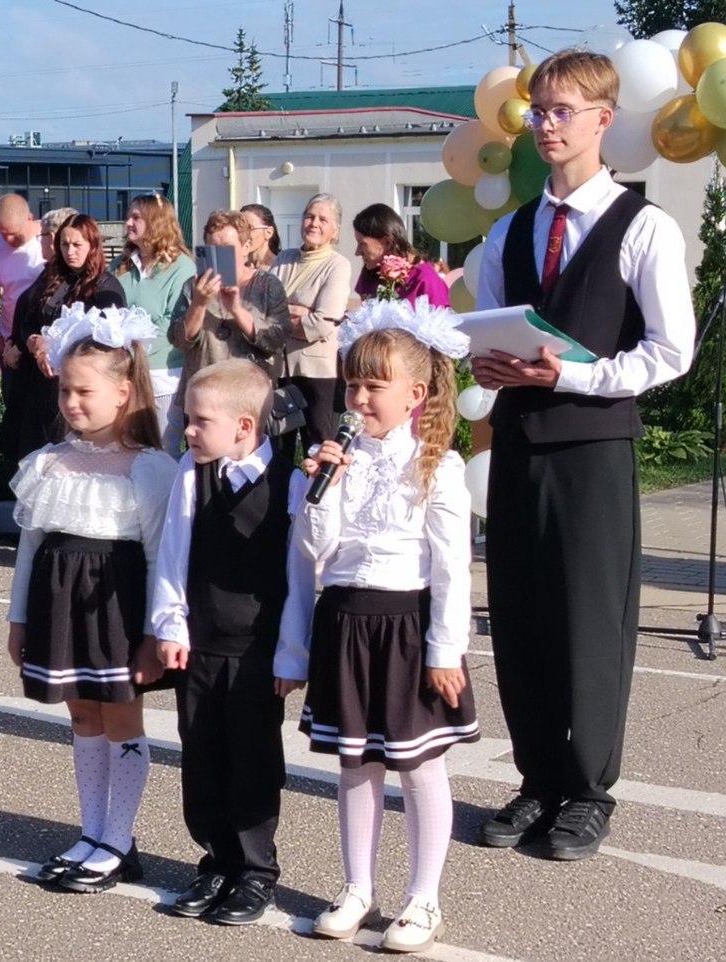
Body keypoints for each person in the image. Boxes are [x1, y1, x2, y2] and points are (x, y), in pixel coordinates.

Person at [472, 49, 695, 860]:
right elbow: (488, 333)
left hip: (594, 447)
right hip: (520, 444)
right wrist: (486, 364)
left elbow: (672, 351)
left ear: (604, 118)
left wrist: (573, 375)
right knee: (520, 619)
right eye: (539, 110)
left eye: (562, 110)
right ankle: (537, 779)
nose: (545, 124)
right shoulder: (509, 230)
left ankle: (589, 790)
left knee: (591, 622)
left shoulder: (643, 226)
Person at [275, 304, 479, 953]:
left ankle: (424, 898)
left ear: (414, 394)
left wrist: (445, 649)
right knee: (356, 764)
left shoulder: (437, 464)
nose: (359, 398)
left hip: (407, 627)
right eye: (352, 384)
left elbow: (451, 568)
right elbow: (315, 551)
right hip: (346, 622)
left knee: (418, 768)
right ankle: (357, 888)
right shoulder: (335, 461)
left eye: (373, 386)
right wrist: (323, 485)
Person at [6, 305, 176, 894]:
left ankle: (118, 840)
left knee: (120, 717)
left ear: (124, 393)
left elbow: (157, 559)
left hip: (116, 612)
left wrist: (153, 635)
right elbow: (30, 547)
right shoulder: (48, 462)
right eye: (65, 391)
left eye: (85, 392)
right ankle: (92, 831)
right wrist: (18, 619)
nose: (71, 402)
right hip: (58, 609)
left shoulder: (149, 468)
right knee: (81, 716)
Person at [151, 359, 313, 925]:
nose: (188, 430)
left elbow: (299, 577)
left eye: (200, 421)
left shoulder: (292, 482)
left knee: (253, 760)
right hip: (201, 645)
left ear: (244, 425)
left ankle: (255, 869)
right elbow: (173, 553)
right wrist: (170, 624)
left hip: (257, 652)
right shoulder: (191, 474)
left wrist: (292, 653)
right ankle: (216, 859)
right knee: (201, 755)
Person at [2, 214, 126, 462]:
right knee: (34, 454)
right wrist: (34, 342)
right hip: (40, 383)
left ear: (92, 245)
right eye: (64, 244)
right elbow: (28, 320)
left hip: (78, 384)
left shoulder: (106, 286)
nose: (70, 252)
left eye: (77, 245)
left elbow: (107, 341)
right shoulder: (51, 277)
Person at [169, 210, 292, 413]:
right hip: (203, 395)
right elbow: (178, 340)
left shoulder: (267, 284)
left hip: (249, 397)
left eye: (226, 249)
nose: (219, 256)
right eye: (212, 249)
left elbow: (277, 340)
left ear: (246, 247)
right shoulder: (193, 287)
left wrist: (236, 310)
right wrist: (199, 304)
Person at [113, 194, 196, 456]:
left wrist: (131, 352)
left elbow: (172, 325)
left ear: (156, 222)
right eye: (129, 216)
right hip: (123, 373)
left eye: (136, 217)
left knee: (160, 451)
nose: (127, 222)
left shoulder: (181, 267)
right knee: (125, 450)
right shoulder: (120, 265)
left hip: (162, 377)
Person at [270, 193, 353, 454]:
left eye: (323, 219)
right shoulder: (284, 259)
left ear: (335, 231)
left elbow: (321, 324)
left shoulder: (337, 266)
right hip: (279, 368)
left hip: (316, 373)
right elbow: (261, 308)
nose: (314, 223)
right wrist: (298, 312)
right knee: (277, 449)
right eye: (309, 216)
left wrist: (280, 314)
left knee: (317, 446)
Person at [0, 193, 45, 376]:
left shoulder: (48, 241)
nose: (9, 240)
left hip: (46, 342)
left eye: (14, 233)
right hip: (11, 344)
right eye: (3, 233)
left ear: (30, 218)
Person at [353, 204, 450, 307]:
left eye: (362, 244)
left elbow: (440, 315)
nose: (357, 252)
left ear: (387, 242)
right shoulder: (370, 273)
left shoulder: (426, 280)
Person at [240, 203, 281, 271]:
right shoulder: (238, 270)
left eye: (249, 228)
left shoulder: (280, 268)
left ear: (268, 232)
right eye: (239, 228)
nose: (242, 234)